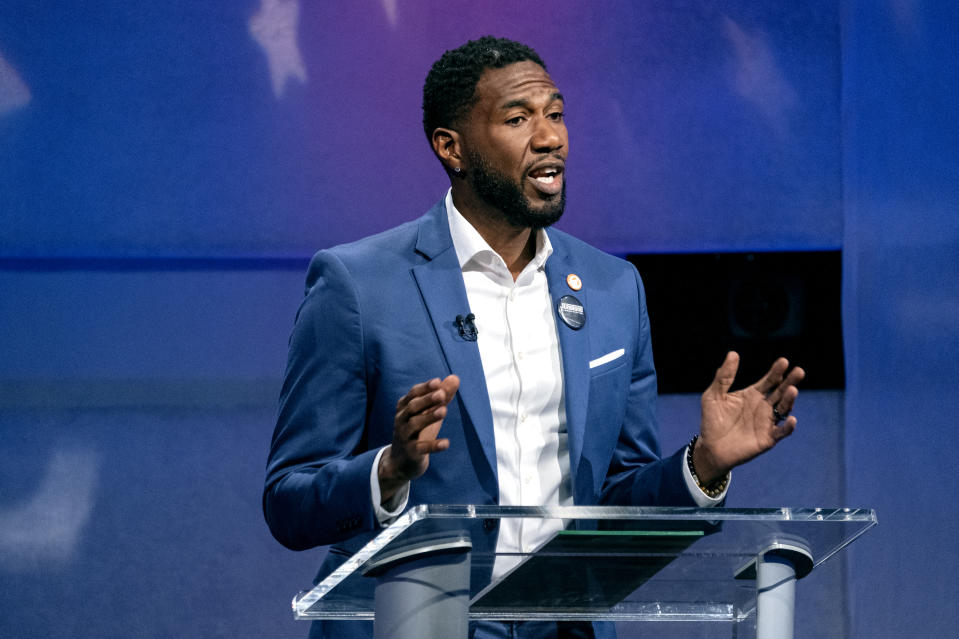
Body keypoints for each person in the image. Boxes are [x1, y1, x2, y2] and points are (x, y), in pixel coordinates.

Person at [263, 36, 804, 639]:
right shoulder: (359, 285)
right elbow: (289, 498)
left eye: (556, 113)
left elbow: (616, 500)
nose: (550, 138)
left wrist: (699, 466)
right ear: (452, 148)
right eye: (518, 119)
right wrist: (388, 470)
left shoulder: (611, 288)